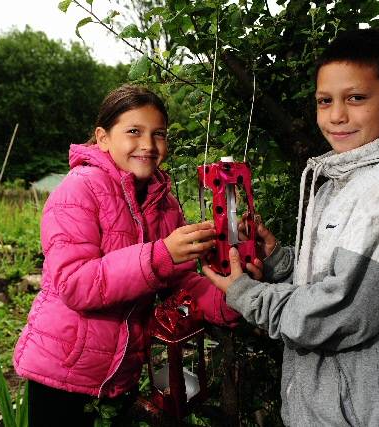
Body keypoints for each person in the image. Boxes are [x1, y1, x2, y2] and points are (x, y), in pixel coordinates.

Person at [204, 28, 379, 426]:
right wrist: (279, 261)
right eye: (325, 101)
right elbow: (341, 280)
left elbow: (339, 313)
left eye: (356, 98)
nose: (337, 115)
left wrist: (246, 294)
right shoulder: (347, 176)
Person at [14, 84, 238, 426]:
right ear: (103, 138)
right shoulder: (79, 190)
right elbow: (75, 284)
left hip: (120, 377)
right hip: (62, 375)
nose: (148, 145)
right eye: (134, 131)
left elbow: (179, 282)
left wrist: (234, 296)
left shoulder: (164, 203)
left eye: (158, 134)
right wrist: (161, 254)